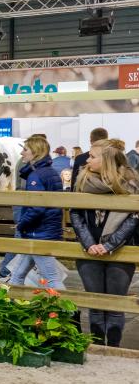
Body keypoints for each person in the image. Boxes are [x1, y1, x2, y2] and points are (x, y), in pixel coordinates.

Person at [72, 140, 139, 347]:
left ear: (107, 160)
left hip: (121, 251)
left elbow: (134, 218)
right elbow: (75, 213)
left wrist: (110, 245)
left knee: (115, 306)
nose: (87, 160)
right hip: (89, 251)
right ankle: (97, 348)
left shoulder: (130, 184)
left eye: (92, 156)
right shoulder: (82, 182)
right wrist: (89, 243)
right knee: (95, 304)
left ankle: (113, 349)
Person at [8, 135, 65, 289]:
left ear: (35, 152)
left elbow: (36, 207)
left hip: (38, 233)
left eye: (25, 150)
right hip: (44, 230)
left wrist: (21, 224)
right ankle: (13, 300)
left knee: (52, 278)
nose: (22, 153)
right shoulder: (50, 172)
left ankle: (67, 305)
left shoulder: (36, 175)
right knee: (17, 274)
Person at [71, 127, 108, 192]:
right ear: (107, 139)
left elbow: (74, 182)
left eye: (92, 157)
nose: (88, 160)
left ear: (91, 140)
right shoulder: (115, 158)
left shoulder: (80, 158)